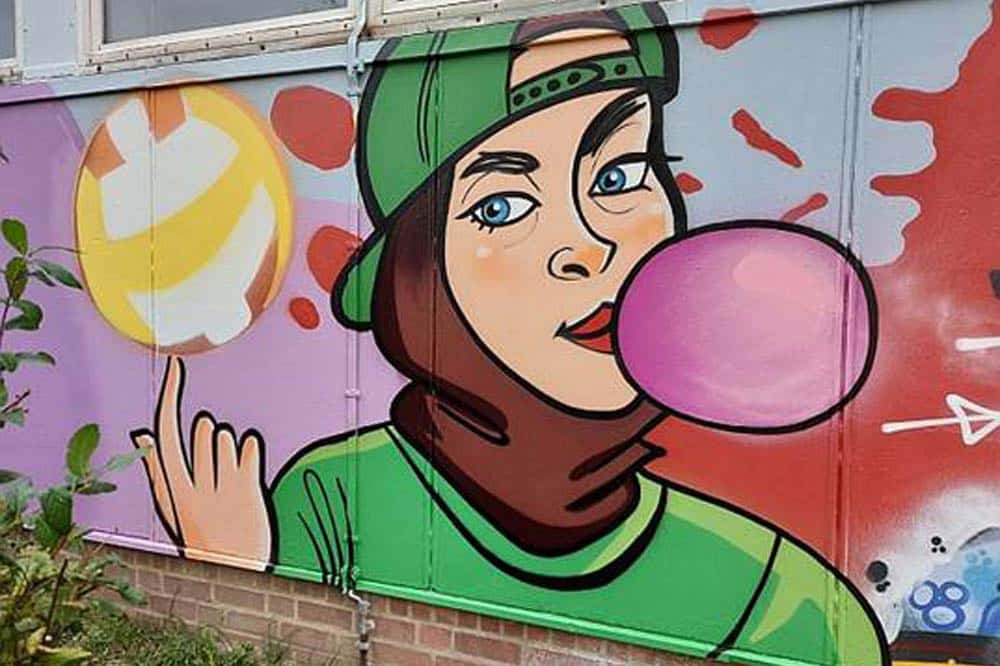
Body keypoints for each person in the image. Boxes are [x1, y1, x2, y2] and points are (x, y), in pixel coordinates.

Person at [130, 4, 890, 663]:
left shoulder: (783, 598)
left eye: (619, 175)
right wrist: (237, 563)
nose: (586, 245)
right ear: (421, 272)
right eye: (501, 207)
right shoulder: (329, 500)